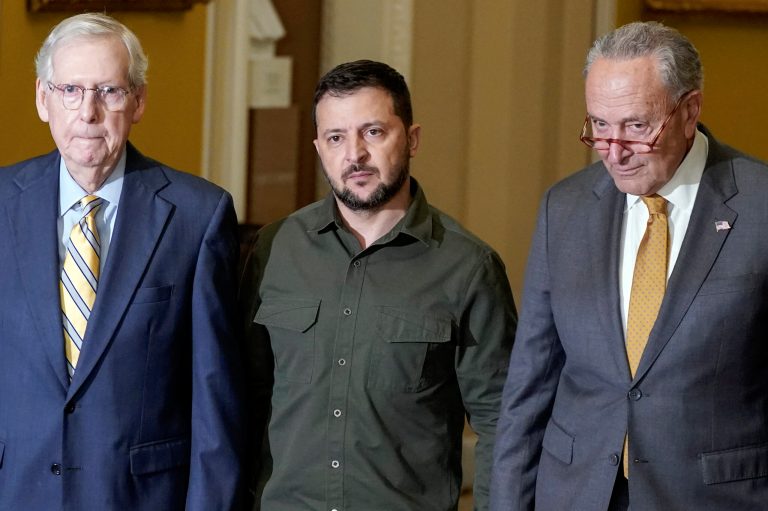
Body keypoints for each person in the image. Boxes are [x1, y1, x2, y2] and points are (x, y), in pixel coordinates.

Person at [490, 20, 768, 511]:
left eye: (636, 127)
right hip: (576, 493)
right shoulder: (565, 209)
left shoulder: (760, 206)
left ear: (689, 111)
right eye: (599, 125)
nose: (614, 152)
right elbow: (529, 384)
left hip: (713, 495)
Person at [240, 59, 517, 510]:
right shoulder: (275, 249)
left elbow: (501, 421)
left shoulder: (468, 267)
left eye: (373, 132)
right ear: (318, 147)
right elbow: (243, 397)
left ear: (412, 138)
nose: (354, 155)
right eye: (336, 138)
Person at [0, 13, 244, 510]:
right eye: (69, 89)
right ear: (42, 99)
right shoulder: (3, 203)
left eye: (108, 91)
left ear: (138, 102)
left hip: (141, 496)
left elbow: (214, 400)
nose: (87, 111)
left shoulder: (198, 216)